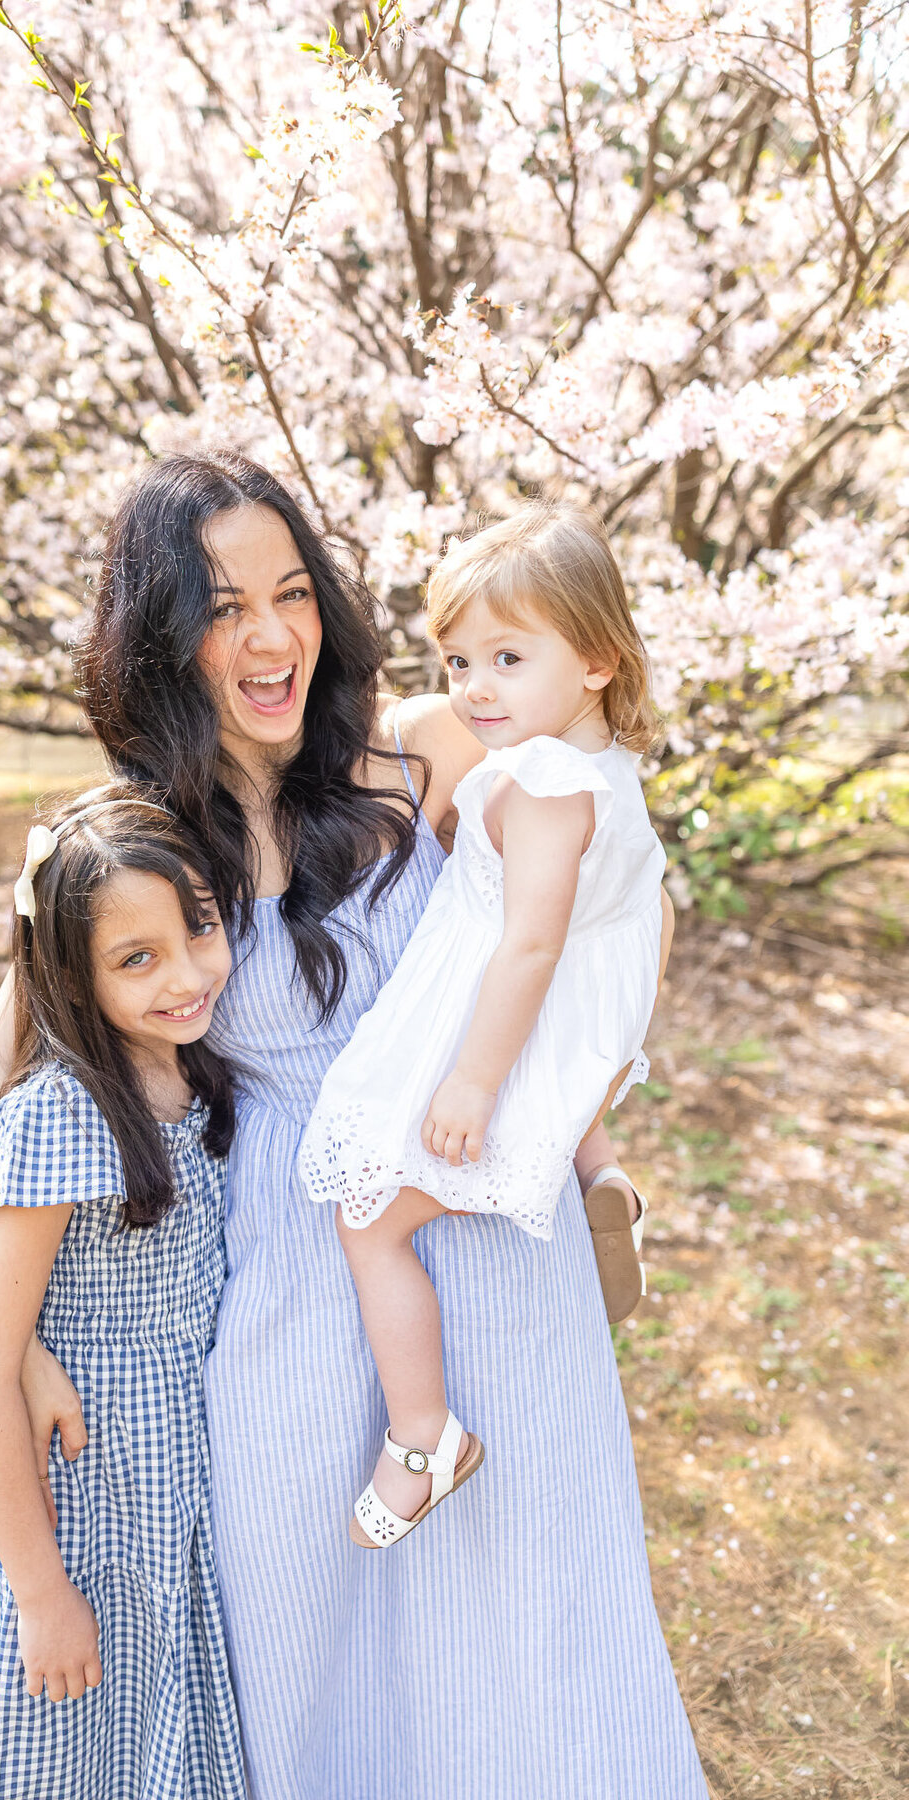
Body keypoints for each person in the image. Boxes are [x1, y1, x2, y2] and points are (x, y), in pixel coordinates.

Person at [0, 451, 708, 1799]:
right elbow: (9, 1068)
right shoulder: (124, 839)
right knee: (314, 1630)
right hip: (286, 1269)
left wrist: (576, 1108)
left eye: (294, 593)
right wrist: (3, 1340)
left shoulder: (425, 743)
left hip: (480, 1226)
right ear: (159, 639)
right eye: (224, 606)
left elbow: (623, 884)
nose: (271, 636)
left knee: (537, 1624)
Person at [299, 502, 664, 1547]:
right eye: (458, 662)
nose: (474, 690)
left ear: (596, 660)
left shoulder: (547, 784)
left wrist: (468, 1084)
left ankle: (424, 1438)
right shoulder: (599, 767)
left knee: (370, 1224)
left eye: (507, 657)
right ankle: (597, 1169)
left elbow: (532, 948)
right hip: (569, 1036)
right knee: (541, 1094)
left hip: (506, 1037)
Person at [0, 787, 246, 1800]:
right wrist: (41, 1593)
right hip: (84, 1508)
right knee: (77, 1759)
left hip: (179, 1505)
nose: (187, 972)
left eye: (197, 928)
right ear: (71, 976)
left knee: (175, 1759)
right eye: (137, 959)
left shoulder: (198, 1075)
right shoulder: (66, 1116)